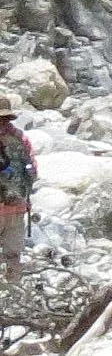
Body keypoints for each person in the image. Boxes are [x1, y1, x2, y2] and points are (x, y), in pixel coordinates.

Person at [0, 96, 34, 281]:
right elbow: (33, 171)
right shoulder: (20, 138)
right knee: (13, 257)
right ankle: (14, 296)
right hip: (18, 207)